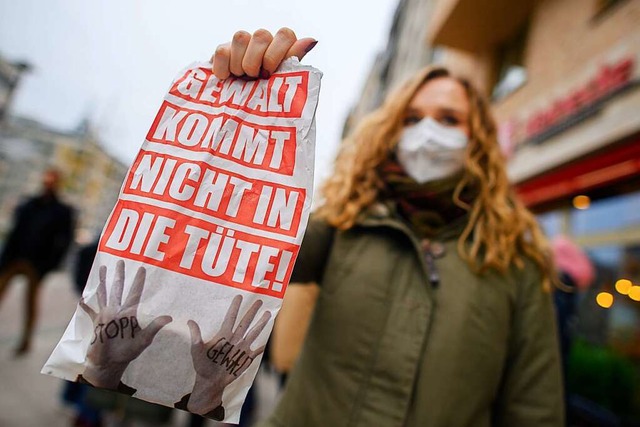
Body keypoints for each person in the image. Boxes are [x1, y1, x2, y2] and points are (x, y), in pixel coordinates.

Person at [209, 28, 564, 427]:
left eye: (448, 119)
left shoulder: (516, 261)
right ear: (393, 133)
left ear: (477, 137)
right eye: (412, 119)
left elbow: (534, 410)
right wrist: (245, 121)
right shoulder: (345, 221)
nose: (427, 133)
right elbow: (245, 251)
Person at [0, 168, 75, 355]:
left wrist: (49, 265)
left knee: (30, 302)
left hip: (37, 263)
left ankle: (25, 341)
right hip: (15, 258)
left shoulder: (62, 211)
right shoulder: (29, 205)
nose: (48, 183)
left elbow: (65, 241)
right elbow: (15, 231)